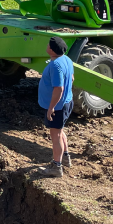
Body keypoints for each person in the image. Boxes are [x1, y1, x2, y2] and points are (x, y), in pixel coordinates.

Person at [37, 37, 75, 178]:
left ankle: (56, 166)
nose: (46, 46)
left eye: (48, 44)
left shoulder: (55, 66)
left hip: (58, 107)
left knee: (56, 135)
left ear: (52, 50)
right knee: (60, 131)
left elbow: (58, 88)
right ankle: (65, 158)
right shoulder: (67, 60)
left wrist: (51, 107)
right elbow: (71, 78)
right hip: (67, 102)